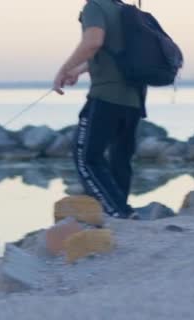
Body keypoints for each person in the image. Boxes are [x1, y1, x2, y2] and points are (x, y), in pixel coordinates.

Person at [53, 0, 145, 219]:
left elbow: (93, 42)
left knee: (87, 158)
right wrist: (78, 70)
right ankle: (123, 211)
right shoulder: (123, 9)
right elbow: (113, 52)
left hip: (106, 97)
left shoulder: (95, 6)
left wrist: (63, 70)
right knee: (119, 158)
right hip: (134, 98)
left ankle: (117, 213)